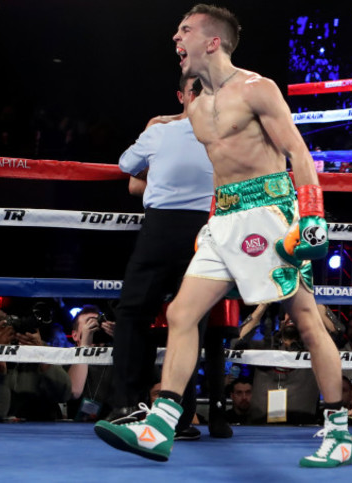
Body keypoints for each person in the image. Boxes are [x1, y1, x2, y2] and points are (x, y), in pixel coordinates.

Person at [95, 4, 352, 468]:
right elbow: (195, 161)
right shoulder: (192, 109)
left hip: (271, 212)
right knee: (181, 312)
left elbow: (297, 149)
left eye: (185, 30)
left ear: (212, 41)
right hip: (222, 218)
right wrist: (159, 128)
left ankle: (338, 432)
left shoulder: (258, 88)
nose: (176, 37)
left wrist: (312, 215)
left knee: (309, 322)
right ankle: (160, 425)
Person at [111, 74, 231, 440]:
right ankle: (180, 416)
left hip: (162, 228)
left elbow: (125, 169)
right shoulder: (226, 136)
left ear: (184, 96)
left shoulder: (161, 131)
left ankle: (128, 405)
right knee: (190, 322)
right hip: (206, 232)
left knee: (133, 313)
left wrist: (159, 158)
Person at [0, 308, 71, 421]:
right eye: (2, 325)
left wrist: (42, 356)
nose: (11, 328)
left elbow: (63, 394)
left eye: (9, 320)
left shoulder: (35, 349)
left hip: (43, 428)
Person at [66, 305, 116, 421]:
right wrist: (85, 345)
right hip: (76, 427)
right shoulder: (67, 356)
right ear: (75, 335)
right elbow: (74, 391)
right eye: (89, 322)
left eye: (98, 322)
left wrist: (120, 338)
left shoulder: (116, 353)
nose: (95, 325)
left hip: (113, 424)